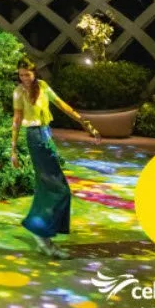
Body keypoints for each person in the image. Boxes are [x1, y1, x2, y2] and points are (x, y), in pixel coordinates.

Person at [11, 58, 100, 257]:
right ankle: (42, 234)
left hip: (45, 134)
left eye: (27, 74)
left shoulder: (42, 87)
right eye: (21, 74)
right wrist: (13, 149)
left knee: (48, 185)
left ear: (34, 73)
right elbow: (17, 120)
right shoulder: (18, 92)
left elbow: (62, 105)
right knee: (59, 189)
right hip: (35, 137)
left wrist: (85, 123)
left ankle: (39, 230)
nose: (24, 78)